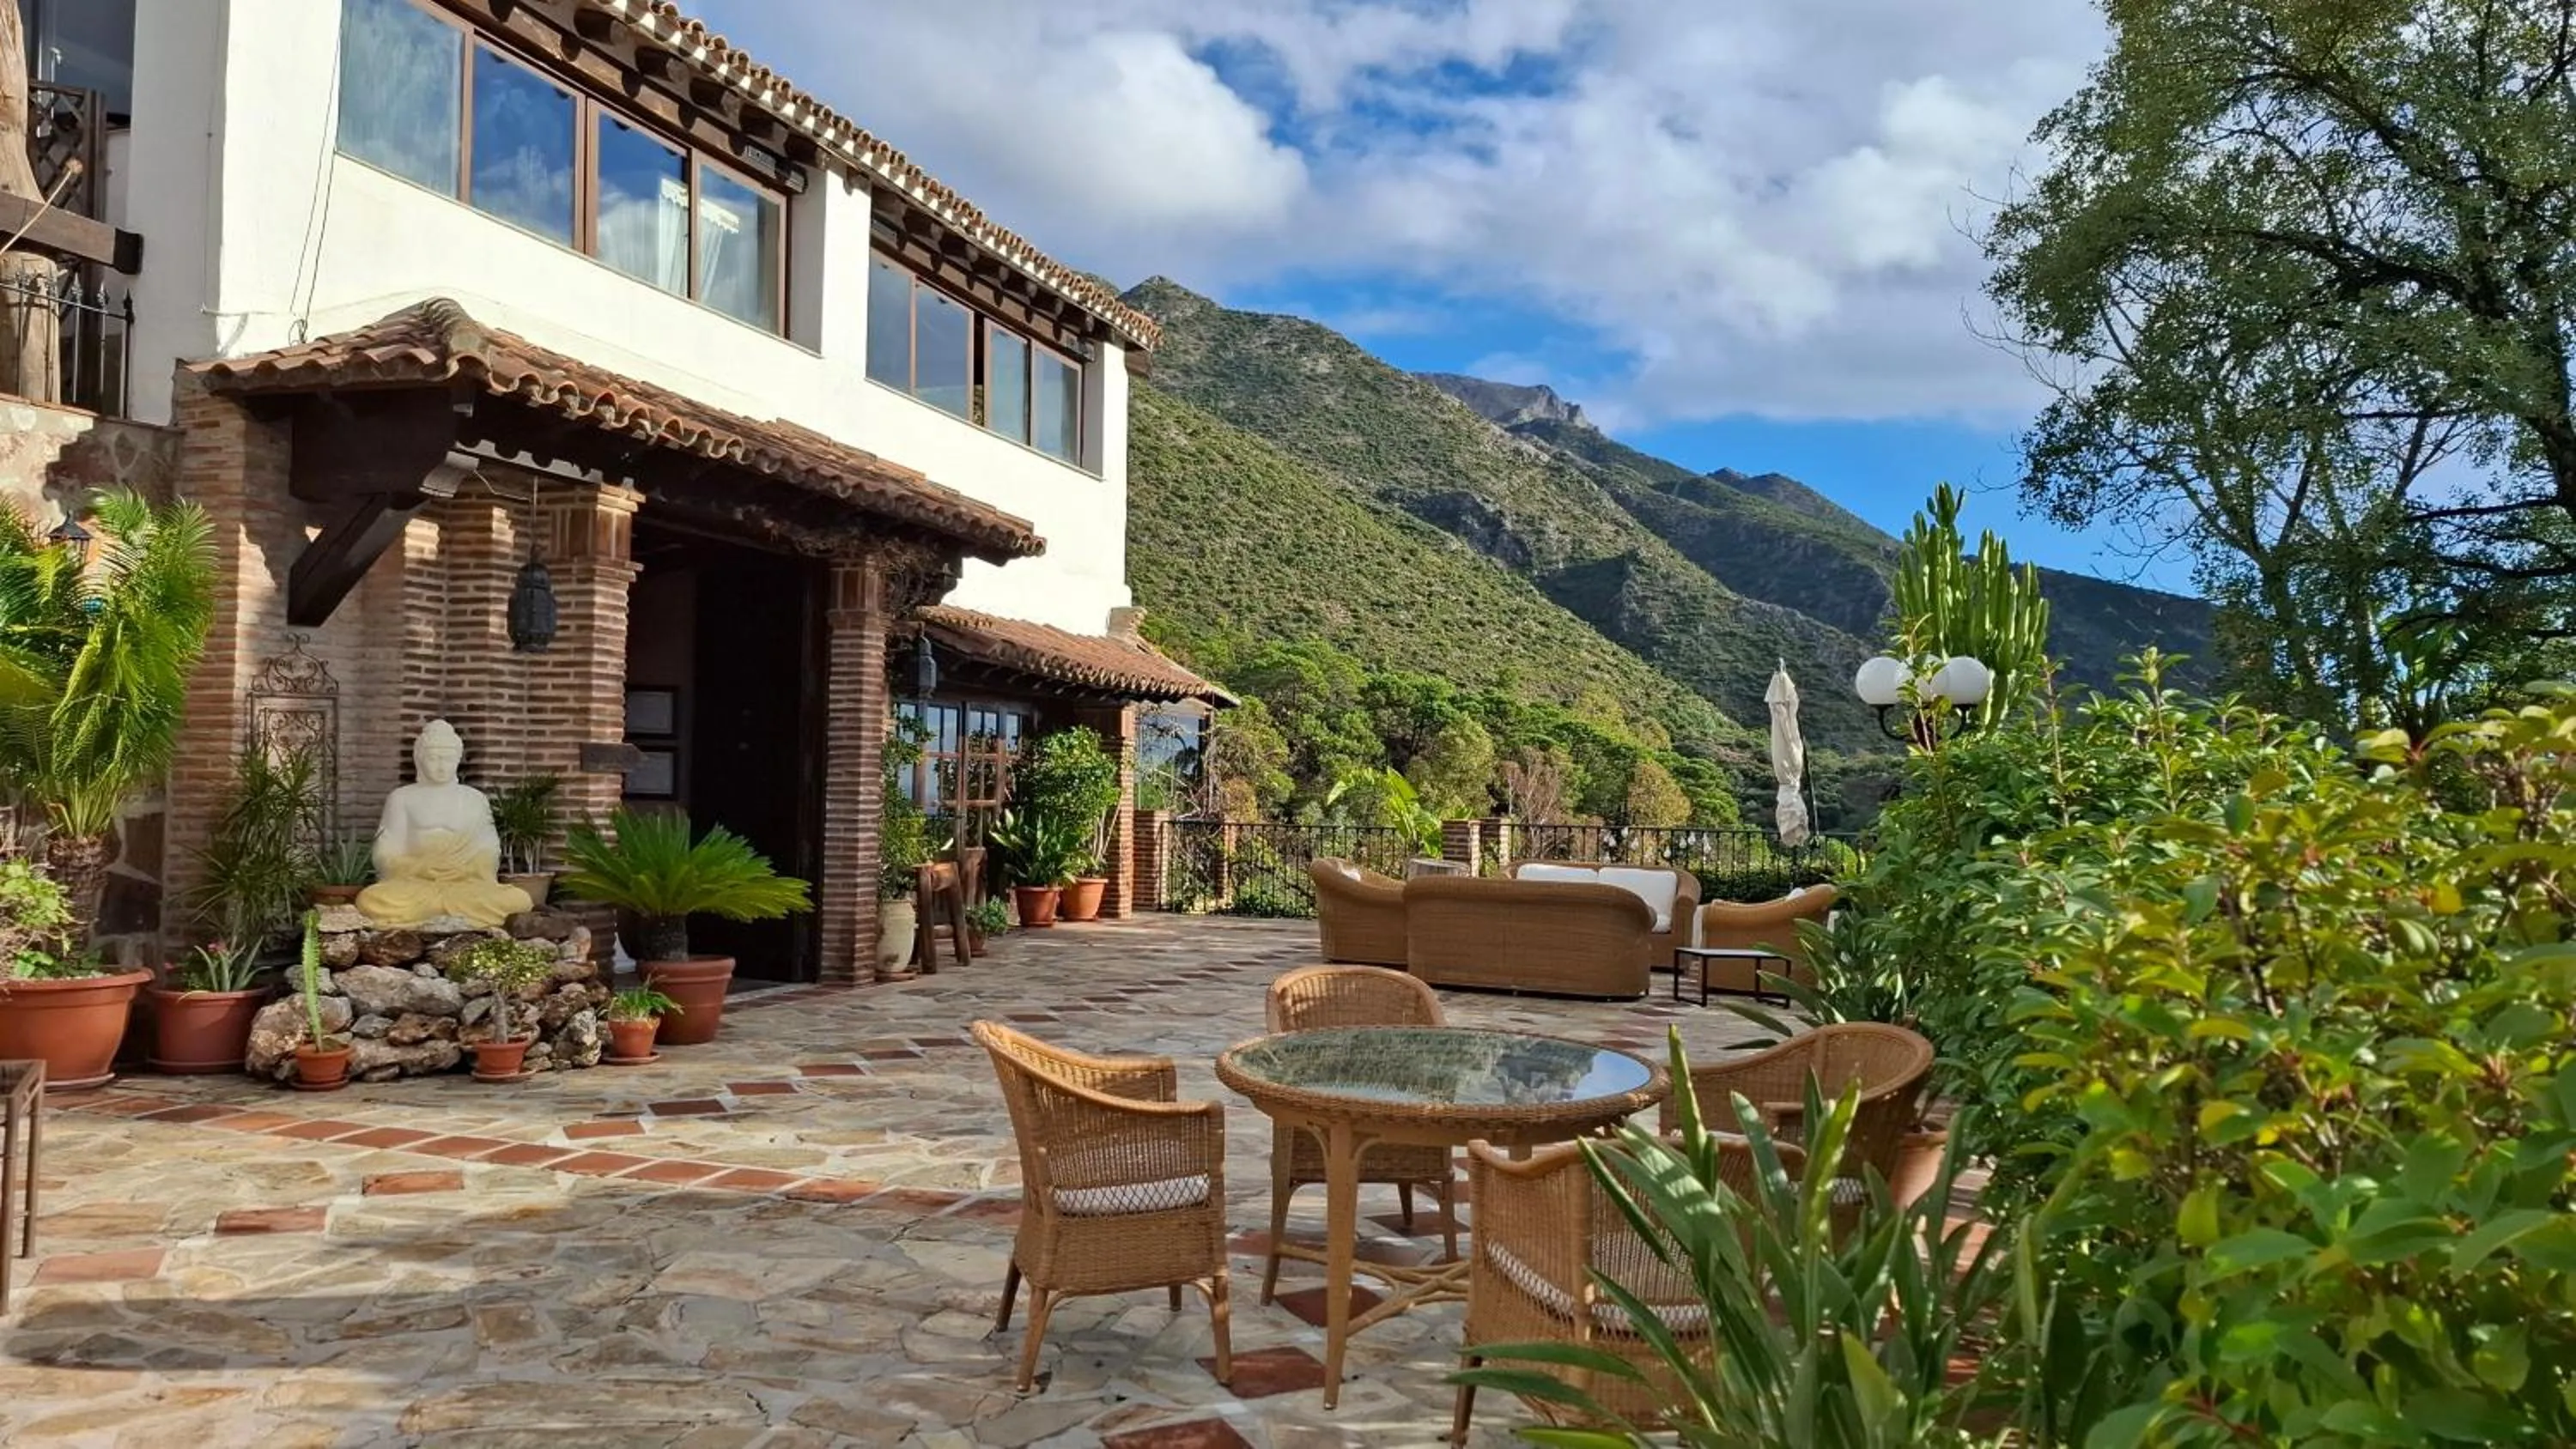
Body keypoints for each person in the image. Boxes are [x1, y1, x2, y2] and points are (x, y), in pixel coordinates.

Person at [355, 721, 534, 929]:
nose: (441, 766)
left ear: (457, 760)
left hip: (465, 884)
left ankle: (429, 919)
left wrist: (465, 869)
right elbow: (385, 853)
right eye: (433, 759)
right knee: (371, 899)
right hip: (416, 884)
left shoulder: (474, 799)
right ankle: (456, 920)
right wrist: (421, 867)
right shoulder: (402, 797)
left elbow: (489, 850)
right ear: (420, 759)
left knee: (518, 899)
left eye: (447, 759)